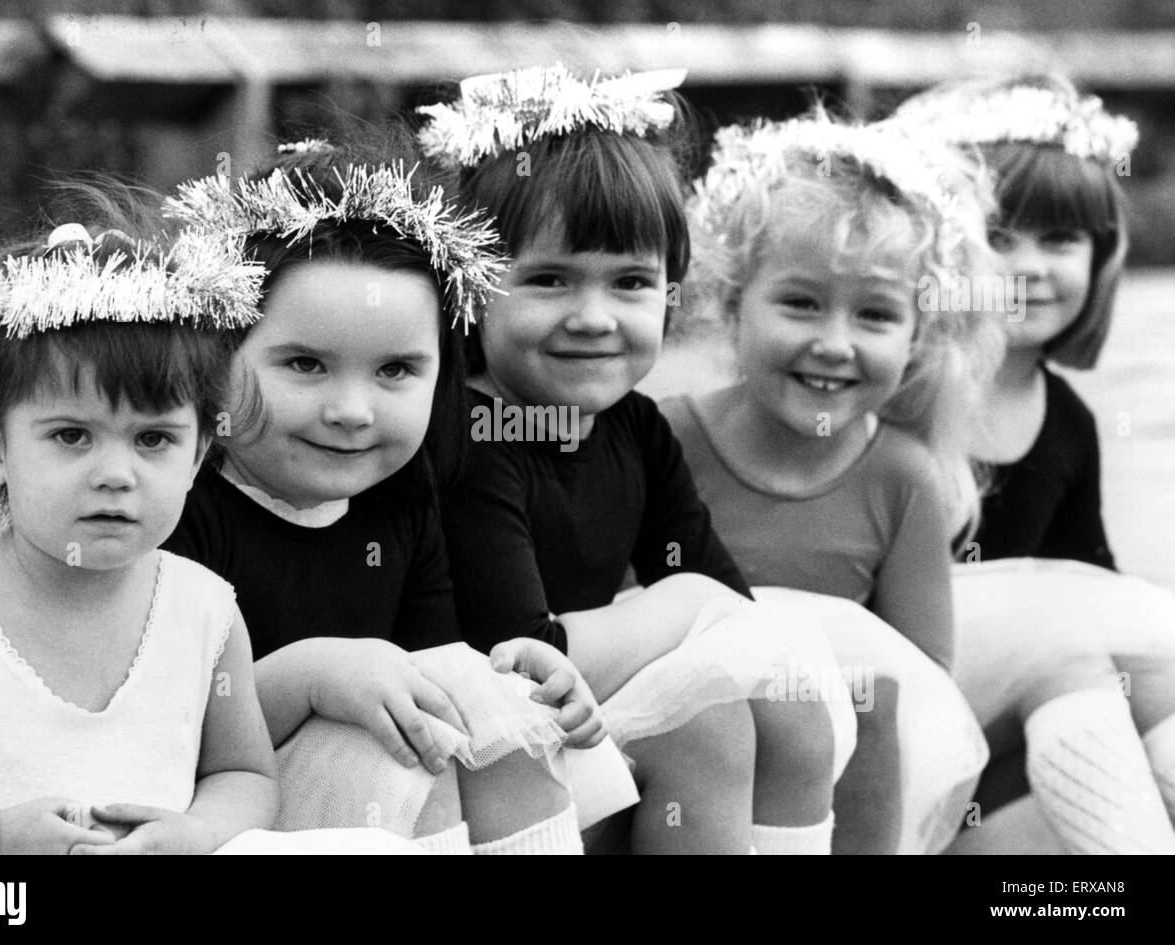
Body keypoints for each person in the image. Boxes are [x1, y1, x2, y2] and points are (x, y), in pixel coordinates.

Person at [425, 65, 857, 854]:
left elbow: (731, 607)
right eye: (549, 280)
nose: (593, 318)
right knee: (710, 721)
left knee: (773, 697)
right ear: (474, 288)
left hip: (589, 713)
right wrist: (674, 606)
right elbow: (521, 652)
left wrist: (688, 600)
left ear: (669, 294)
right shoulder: (472, 436)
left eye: (630, 283)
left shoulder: (634, 427)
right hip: (491, 753)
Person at [163, 138, 622, 855]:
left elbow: (436, 662)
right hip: (226, 818)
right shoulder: (181, 514)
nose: (353, 409)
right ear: (216, 355)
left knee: (475, 708)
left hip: (375, 801)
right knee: (401, 742)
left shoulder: (403, 504)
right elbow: (163, 732)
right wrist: (312, 674)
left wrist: (519, 672)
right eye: (306, 364)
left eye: (396, 370)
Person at [0, 206, 285, 854]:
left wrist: (199, 830)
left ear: (200, 452)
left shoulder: (205, 611)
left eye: (153, 438)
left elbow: (243, 773)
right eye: (72, 435)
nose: (116, 474)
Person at [665, 113, 996, 853]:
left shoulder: (900, 478)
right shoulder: (666, 442)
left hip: (840, 782)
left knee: (870, 691)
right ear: (729, 300)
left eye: (875, 314)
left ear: (916, 336)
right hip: (679, 752)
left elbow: (919, 684)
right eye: (801, 302)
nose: (835, 343)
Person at [895, 75, 1175, 853]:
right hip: (915, 714)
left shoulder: (1069, 421)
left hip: (1021, 737)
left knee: (1148, 668)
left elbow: (1092, 581)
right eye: (1000, 236)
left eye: (1060, 241)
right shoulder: (904, 392)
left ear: (1102, 258)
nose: (1028, 266)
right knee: (1071, 654)